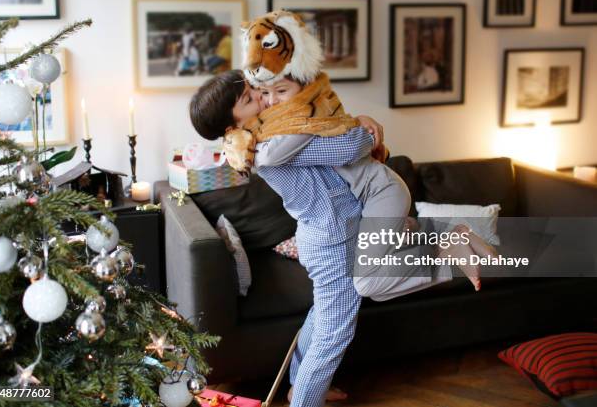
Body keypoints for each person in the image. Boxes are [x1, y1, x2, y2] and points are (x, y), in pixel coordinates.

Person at [189, 71, 493, 407]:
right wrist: (364, 127)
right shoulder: (269, 146)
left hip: (326, 234)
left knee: (324, 318)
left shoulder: (267, 133)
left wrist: (353, 122)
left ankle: (303, 386)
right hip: (333, 240)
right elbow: (348, 145)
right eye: (249, 99)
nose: (262, 96)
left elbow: (331, 136)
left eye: (252, 90)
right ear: (231, 127)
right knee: (333, 333)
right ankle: (305, 397)